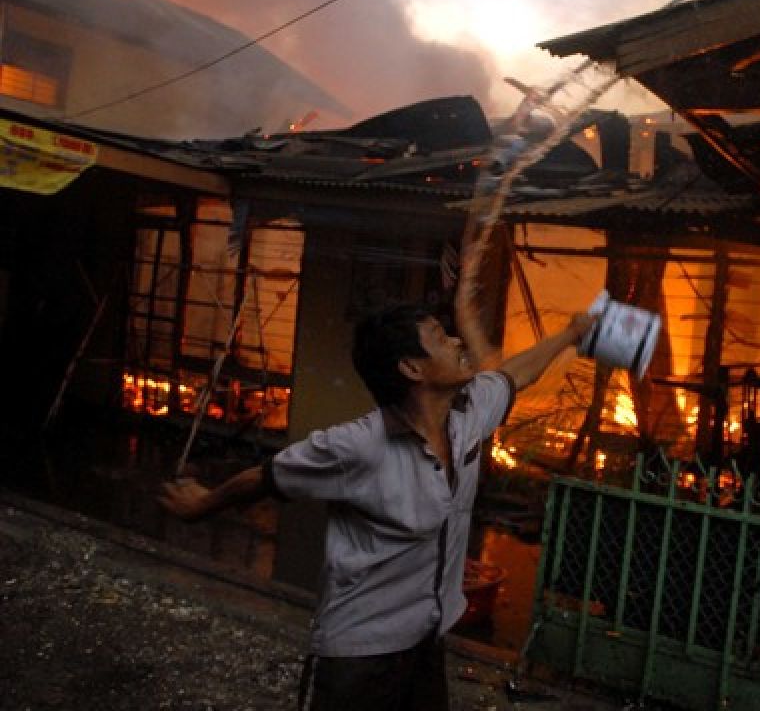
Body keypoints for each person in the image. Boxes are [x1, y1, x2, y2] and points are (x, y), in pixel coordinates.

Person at [159, 298, 593, 710]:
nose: (458, 342)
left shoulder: (467, 415)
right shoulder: (357, 447)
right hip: (359, 655)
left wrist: (570, 334)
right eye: (441, 337)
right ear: (411, 368)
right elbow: (268, 477)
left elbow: (515, 375)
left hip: (425, 642)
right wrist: (204, 504)